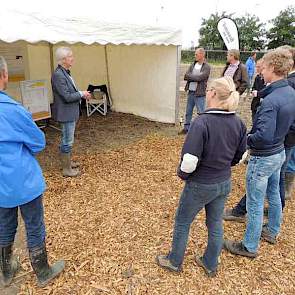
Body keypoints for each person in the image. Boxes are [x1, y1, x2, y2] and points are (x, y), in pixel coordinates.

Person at [156, 76, 247, 277]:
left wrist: (182, 174)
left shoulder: (202, 122)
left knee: (182, 221)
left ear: (213, 94)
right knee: (214, 222)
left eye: (207, 90)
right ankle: (210, 263)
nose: (206, 93)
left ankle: (174, 261)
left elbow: (189, 160)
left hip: (201, 183)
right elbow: (240, 156)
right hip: (223, 181)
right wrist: (224, 166)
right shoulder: (238, 123)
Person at [0, 56, 65, 287]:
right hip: (23, 180)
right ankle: (42, 270)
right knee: (34, 224)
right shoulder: (13, 110)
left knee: (5, 225)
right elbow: (38, 142)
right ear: (4, 76)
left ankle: (6, 271)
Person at [224, 49, 295, 258]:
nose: (261, 72)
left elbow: (262, 135)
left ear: (273, 68)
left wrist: (244, 140)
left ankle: (249, 246)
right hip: (279, 151)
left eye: (263, 68)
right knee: (273, 193)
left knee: (255, 203)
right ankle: (272, 230)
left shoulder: (271, 102)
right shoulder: (289, 92)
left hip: (264, 156)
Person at [51, 47, 91, 177]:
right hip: (66, 113)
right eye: (70, 56)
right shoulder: (58, 75)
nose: (73, 58)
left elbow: (69, 93)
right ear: (63, 59)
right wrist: (81, 93)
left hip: (69, 112)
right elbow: (67, 97)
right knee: (67, 140)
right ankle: (66, 169)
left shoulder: (65, 72)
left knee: (68, 139)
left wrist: (81, 95)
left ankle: (67, 163)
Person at [179, 48, 211, 134]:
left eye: (196, 54)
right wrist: (195, 78)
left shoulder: (206, 67)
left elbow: (201, 78)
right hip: (191, 91)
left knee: (201, 112)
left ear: (202, 55)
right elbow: (186, 76)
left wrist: (192, 77)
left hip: (200, 93)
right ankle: (186, 128)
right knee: (188, 111)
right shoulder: (192, 64)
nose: (195, 56)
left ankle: (203, 129)